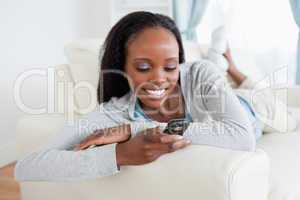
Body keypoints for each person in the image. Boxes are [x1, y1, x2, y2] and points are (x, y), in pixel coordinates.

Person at [15, 11, 256, 182]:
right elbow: (27, 167)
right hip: (215, 98)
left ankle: (226, 63)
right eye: (143, 67)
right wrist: (120, 154)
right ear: (122, 66)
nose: (159, 78)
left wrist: (137, 129)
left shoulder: (198, 72)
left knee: (239, 84)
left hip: (253, 109)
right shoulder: (114, 112)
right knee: (219, 76)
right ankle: (223, 61)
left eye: (170, 66)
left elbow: (242, 138)